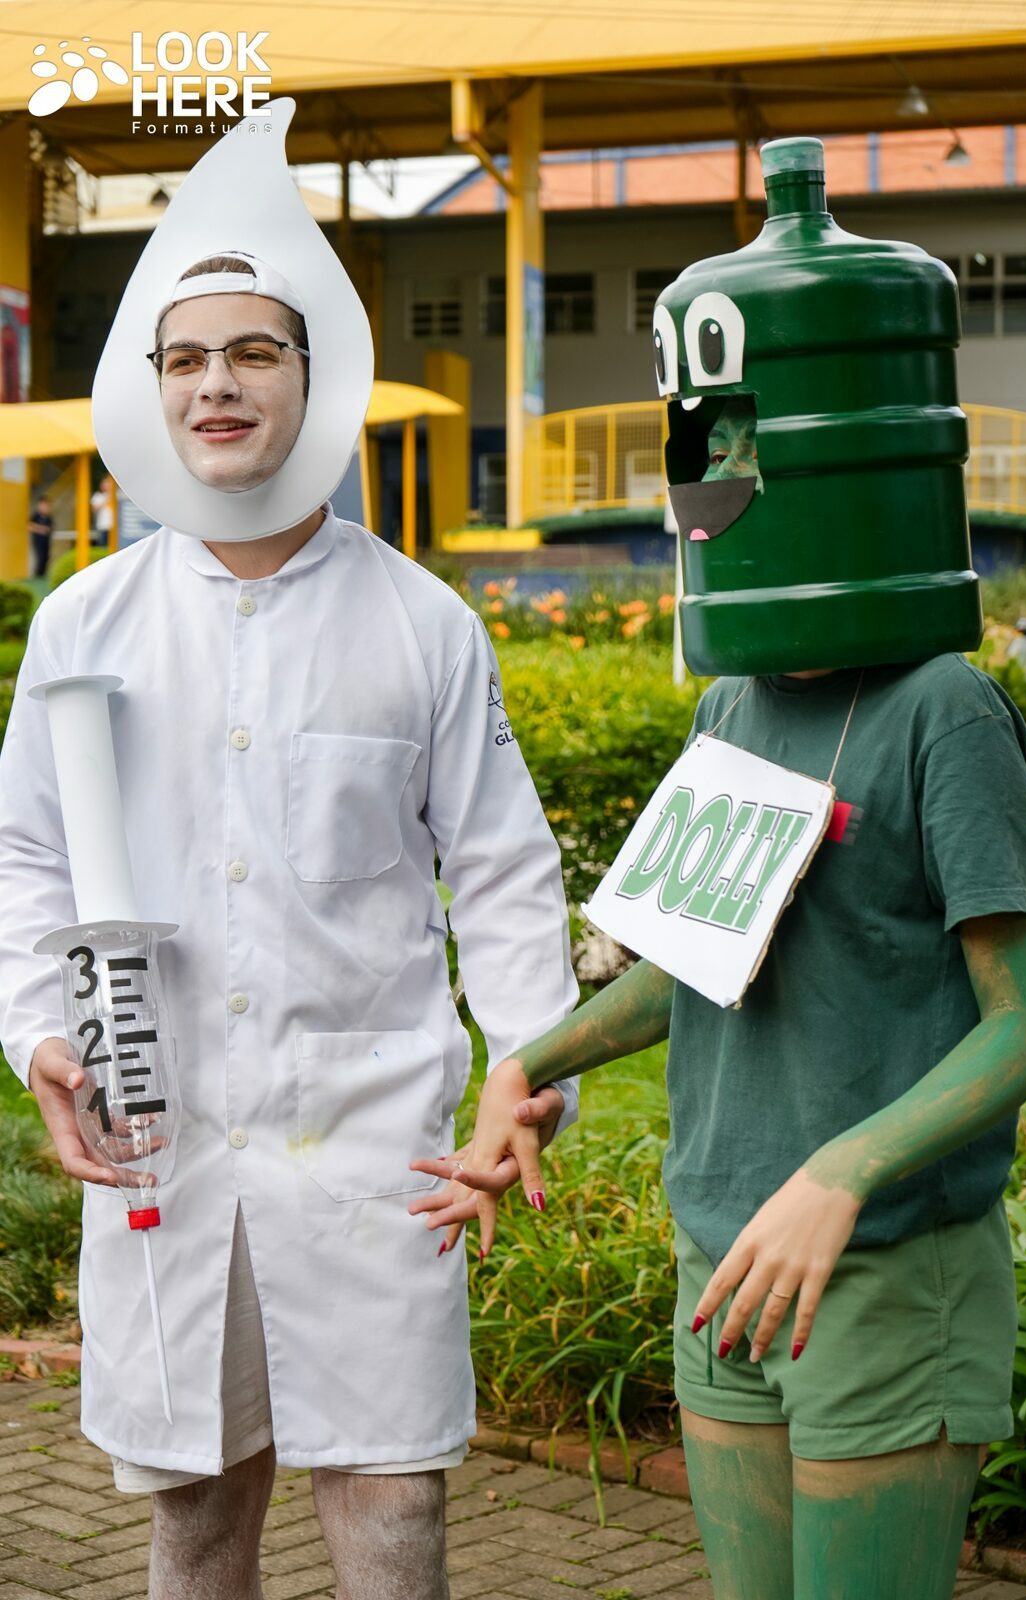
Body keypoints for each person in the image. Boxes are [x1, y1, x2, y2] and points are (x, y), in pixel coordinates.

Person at [427, 139, 1026, 1600]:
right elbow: (693, 964)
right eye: (705, 451)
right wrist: (528, 1062)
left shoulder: (941, 710)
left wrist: (839, 1173)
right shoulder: (730, 703)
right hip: (719, 1253)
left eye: (743, 448)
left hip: (878, 1268)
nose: (719, 485)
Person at [0, 98, 575, 1600]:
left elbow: (503, 871)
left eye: (254, 350)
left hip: (373, 1139)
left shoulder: (419, 623)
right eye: (185, 357)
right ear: (152, 389)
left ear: (313, 377)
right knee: (195, 1518)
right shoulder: (85, 623)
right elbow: (27, 858)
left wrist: (525, 1071)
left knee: (390, 1514)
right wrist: (41, 1033)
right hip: (159, 1131)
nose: (217, 382)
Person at [27, 492, 53, 579]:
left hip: (46, 541)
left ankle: (42, 576)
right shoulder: (35, 516)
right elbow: (30, 526)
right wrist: (42, 529)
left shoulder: (48, 518)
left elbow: (50, 528)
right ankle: (37, 576)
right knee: (40, 558)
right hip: (38, 542)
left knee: (46, 558)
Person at [89, 473, 115, 548]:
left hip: (115, 527)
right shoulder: (97, 496)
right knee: (103, 547)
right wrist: (107, 499)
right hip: (103, 526)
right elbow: (94, 509)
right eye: (105, 483)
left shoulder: (117, 495)